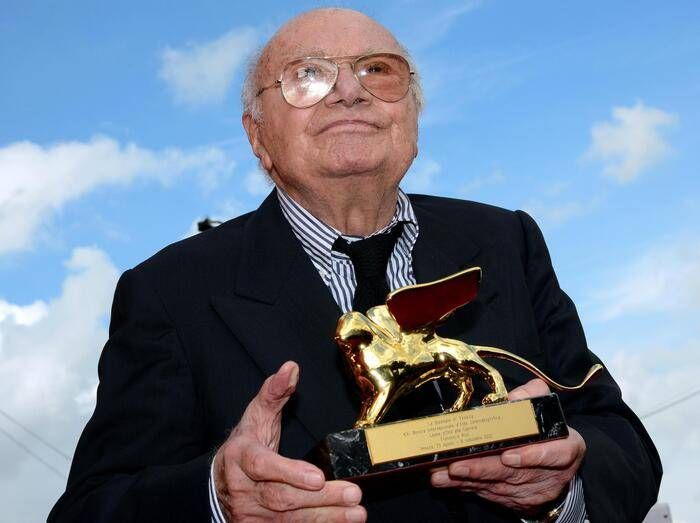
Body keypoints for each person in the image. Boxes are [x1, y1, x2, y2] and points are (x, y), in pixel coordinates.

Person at [48, 8, 661, 523]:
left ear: (413, 119)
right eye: (307, 75)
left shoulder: (507, 241)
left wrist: (561, 492)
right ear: (257, 137)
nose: (349, 90)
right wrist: (218, 498)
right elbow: (90, 509)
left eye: (378, 70)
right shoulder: (170, 291)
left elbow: (622, 440)